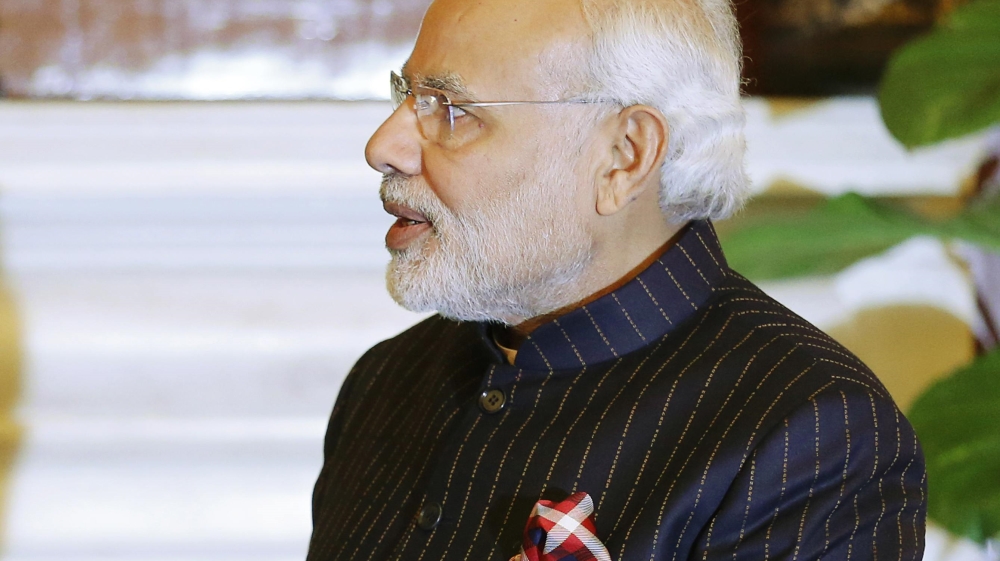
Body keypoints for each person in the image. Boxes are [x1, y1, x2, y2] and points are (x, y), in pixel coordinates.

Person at [306, 0, 927, 558]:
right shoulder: (387, 379)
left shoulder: (814, 435)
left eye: (453, 109)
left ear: (625, 155)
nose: (383, 146)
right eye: (406, 96)